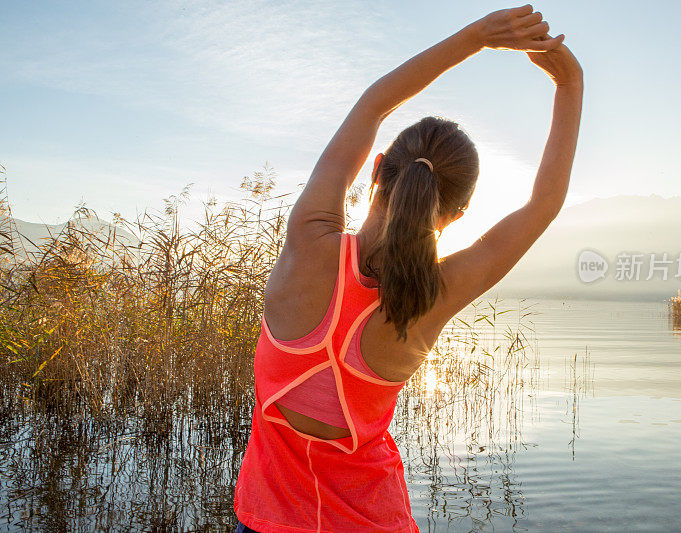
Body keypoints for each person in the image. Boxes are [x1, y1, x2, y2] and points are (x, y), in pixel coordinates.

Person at [234, 4, 583, 532]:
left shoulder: (310, 241)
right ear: (457, 215)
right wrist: (570, 85)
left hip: (266, 523)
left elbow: (374, 105)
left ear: (376, 169)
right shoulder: (433, 297)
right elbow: (545, 203)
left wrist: (477, 37)